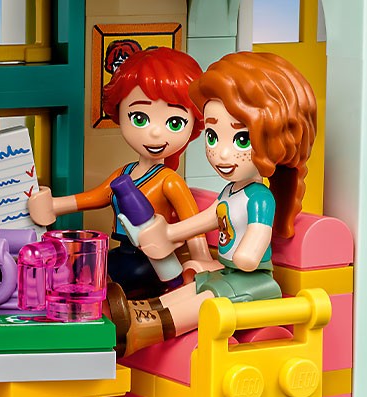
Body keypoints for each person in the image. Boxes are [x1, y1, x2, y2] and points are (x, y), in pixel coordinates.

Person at [108, 51, 317, 357]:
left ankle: (142, 329)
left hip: (253, 285)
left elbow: (251, 252)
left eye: (241, 140)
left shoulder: (260, 198)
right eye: (213, 136)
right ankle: (139, 312)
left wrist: (239, 255)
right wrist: (170, 233)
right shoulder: (231, 191)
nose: (221, 153)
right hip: (229, 276)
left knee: (204, 300)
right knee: (192, 288)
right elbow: (209, 218)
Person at [27, 47, 217, 299]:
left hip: (152, 262)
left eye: (174, 122)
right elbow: (96, 196)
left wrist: (201, 258)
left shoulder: (169, 181)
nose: (155, 133)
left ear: (194, 124)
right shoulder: (125, 173)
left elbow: (192, 224)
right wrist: (53, 205)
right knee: (82, 271)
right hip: (122, 251)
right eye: (140, 118)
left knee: (99, 279)